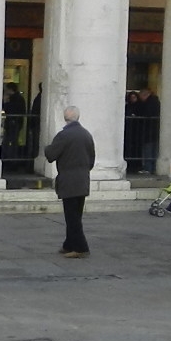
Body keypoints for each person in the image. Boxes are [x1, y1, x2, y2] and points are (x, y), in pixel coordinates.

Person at [44, 105, 96, 258]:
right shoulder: (86, 134)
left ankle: (80, 247)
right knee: (75, 214)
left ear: (65, 118)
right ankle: (69, 244)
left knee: (71, 216)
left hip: (69, 180)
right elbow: (92, 159)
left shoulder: (64, 135)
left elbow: (51, 154)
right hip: (82, 179)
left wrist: (47, 147)